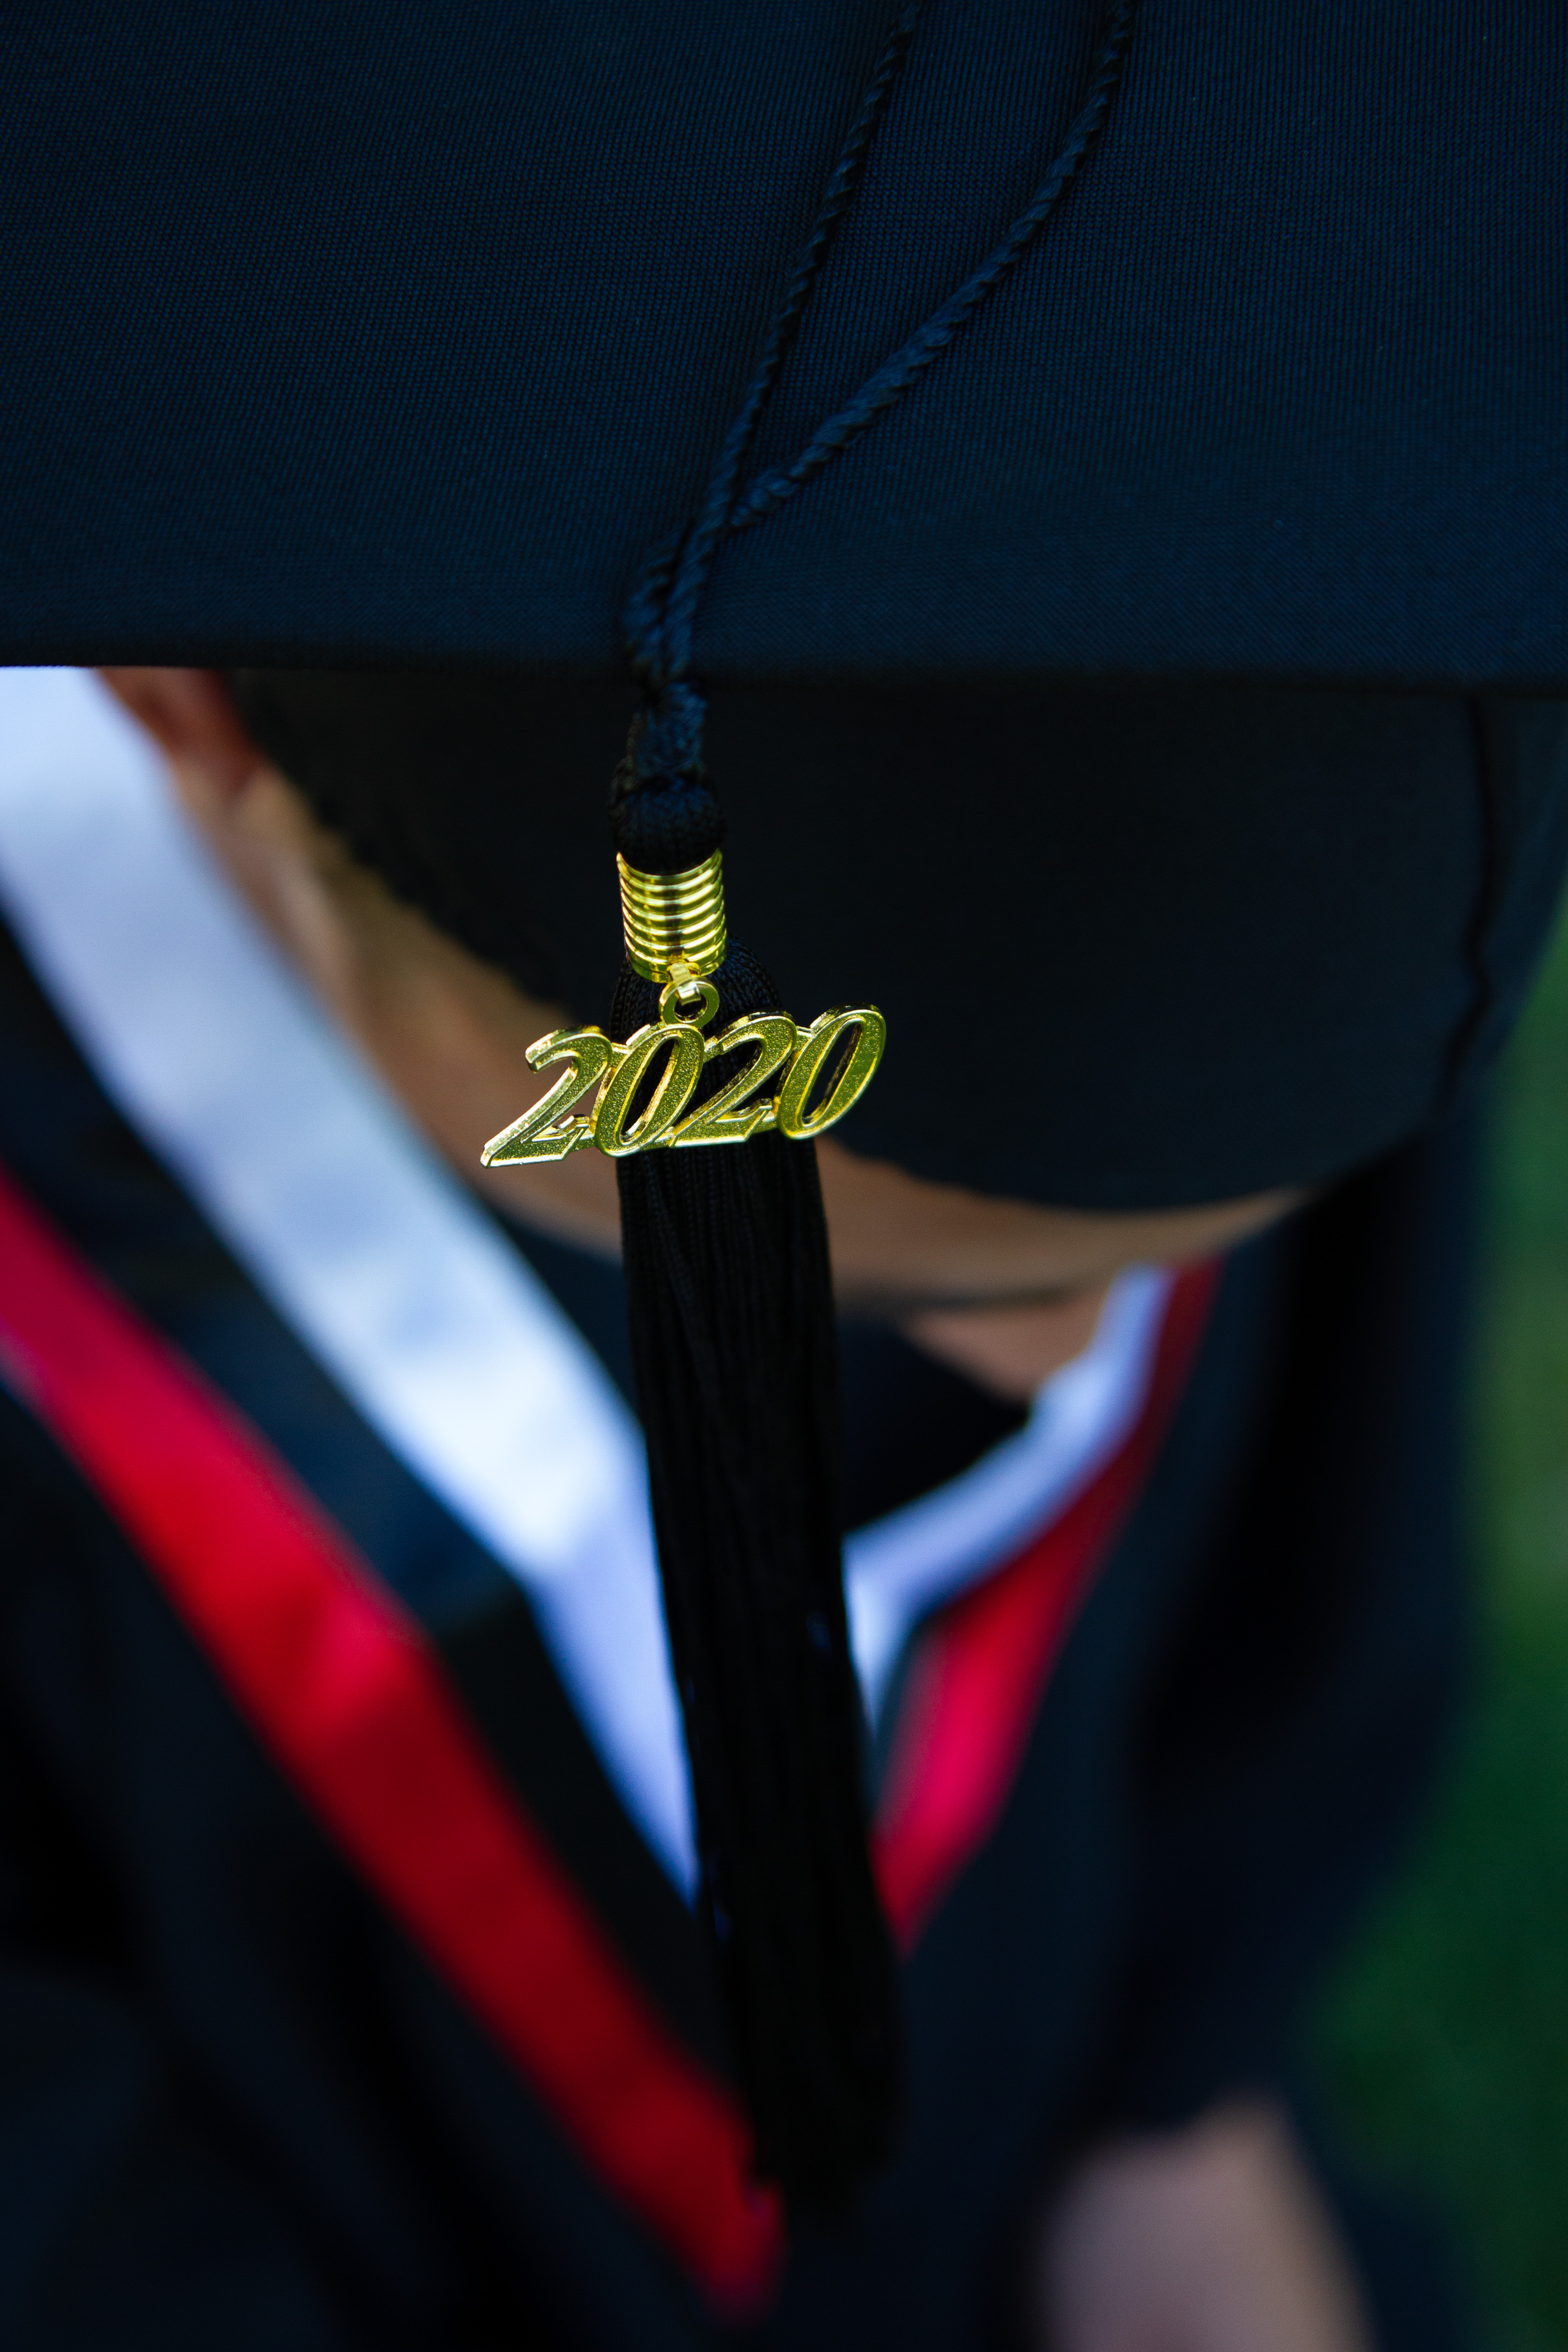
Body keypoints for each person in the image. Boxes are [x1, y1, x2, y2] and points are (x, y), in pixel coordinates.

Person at [0, 5, 1563, 2345]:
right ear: (183, 698)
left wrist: (1172, 2113)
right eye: (850, 1244)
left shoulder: (1286, 732)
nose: (1063, 1370)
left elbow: (1247, 1677)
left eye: (1166, 1265)